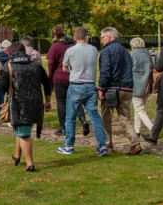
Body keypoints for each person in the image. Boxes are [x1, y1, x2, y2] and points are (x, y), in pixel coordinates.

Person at [0, 41, 52, 171]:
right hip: (35, 102)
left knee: (23, 134)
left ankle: (30, 164)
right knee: (21, 129)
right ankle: (17, 155)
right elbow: (47, 83)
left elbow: (3, 86)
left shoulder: (9, 65)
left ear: (11, 52)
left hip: (18, 103)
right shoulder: (36, 64)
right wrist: (48, 100)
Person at [56, 27, 108, 157]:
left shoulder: (70, 51)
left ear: (74, 38)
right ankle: (102, 145)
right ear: (87, 37)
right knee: (95, 116)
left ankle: (68, 145)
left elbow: (65, 68)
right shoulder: (93, 49)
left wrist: (74, 70)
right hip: (90, 85)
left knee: (70, 117)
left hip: (76, 85)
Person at [97, 27, 143, 155]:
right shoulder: (125, 50)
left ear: (108, 37)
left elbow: (105, 72)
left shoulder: (107, 51)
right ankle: (135, 143)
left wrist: (101, 88)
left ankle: (108, 145)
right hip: (127, 88)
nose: (101, 41)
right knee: (125, 119)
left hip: (112, 89)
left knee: (106, 118)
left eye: (102, 38)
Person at [47, 26, 88, 138]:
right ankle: (83, 120)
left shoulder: (55, 47)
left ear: (54, 35)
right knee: (76, 100)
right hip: (74, 76)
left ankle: (63, 127)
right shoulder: (73, 44)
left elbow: (51, 64)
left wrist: (50, 78)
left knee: (61, 102)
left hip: (60, 77)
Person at [129, 37, 155, 138]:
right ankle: (137, 130)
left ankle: (153, 129)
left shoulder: (131, 55)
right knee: (139, 108)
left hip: (135, 86)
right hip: (147, 86)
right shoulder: (148, 54)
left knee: (140, 109)